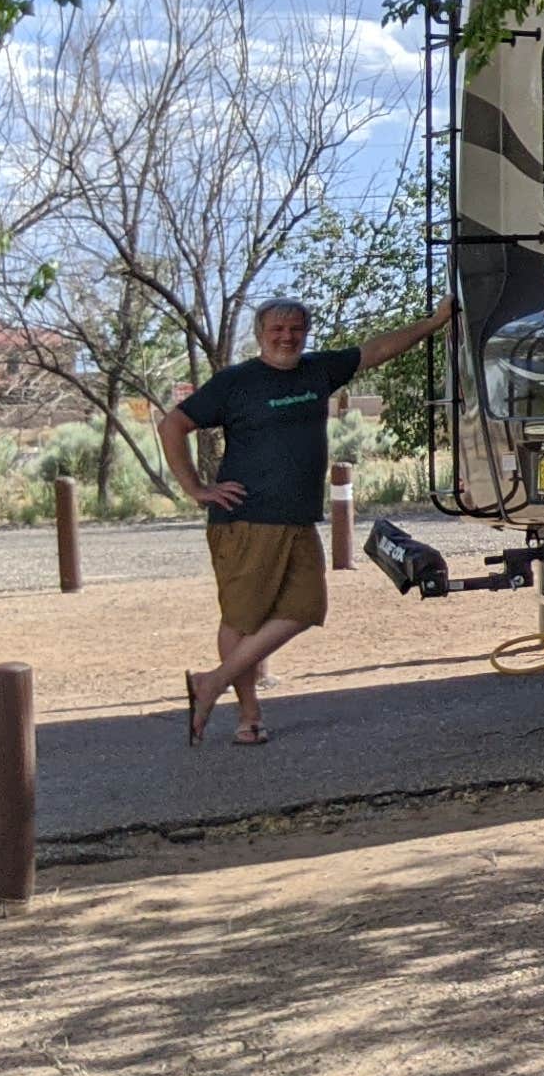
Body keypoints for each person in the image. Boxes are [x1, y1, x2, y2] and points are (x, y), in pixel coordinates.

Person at [160, 296, 451, 745]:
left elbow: (375, 351)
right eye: (277, 329)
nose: (286, 336)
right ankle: (248, 717)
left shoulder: (317, 371)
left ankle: (211, 682)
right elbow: (172, 426)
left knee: (306, 608)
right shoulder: (236, 382)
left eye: (295, 328)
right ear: (260, 334)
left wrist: (433, 323)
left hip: (296, 519)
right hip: (246, 520)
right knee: (241, 620)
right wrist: (196, 488)